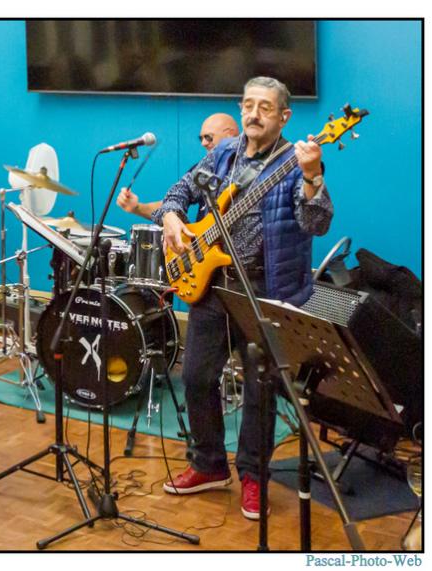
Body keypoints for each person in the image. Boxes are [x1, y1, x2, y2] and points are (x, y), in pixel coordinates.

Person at [150, 77, 333, 520]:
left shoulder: (294, 162)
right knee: (196, 377)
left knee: (259, 389)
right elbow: (179, 191)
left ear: (284, 117)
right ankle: (209, 464)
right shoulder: (223, 154)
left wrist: (313, 177)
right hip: (214, 286)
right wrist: (171, 217)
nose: (254, 114)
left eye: (265, 107)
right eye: (248, 105)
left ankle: (253, 476)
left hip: (266, 290)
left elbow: (317, 223)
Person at [117, 113, 239, 219]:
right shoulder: (204, 167)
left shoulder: (244, 166)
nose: (203, 143)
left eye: (208, 137)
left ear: (230, 135)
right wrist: (137, 207)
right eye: (200, 138)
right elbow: (172, 203)